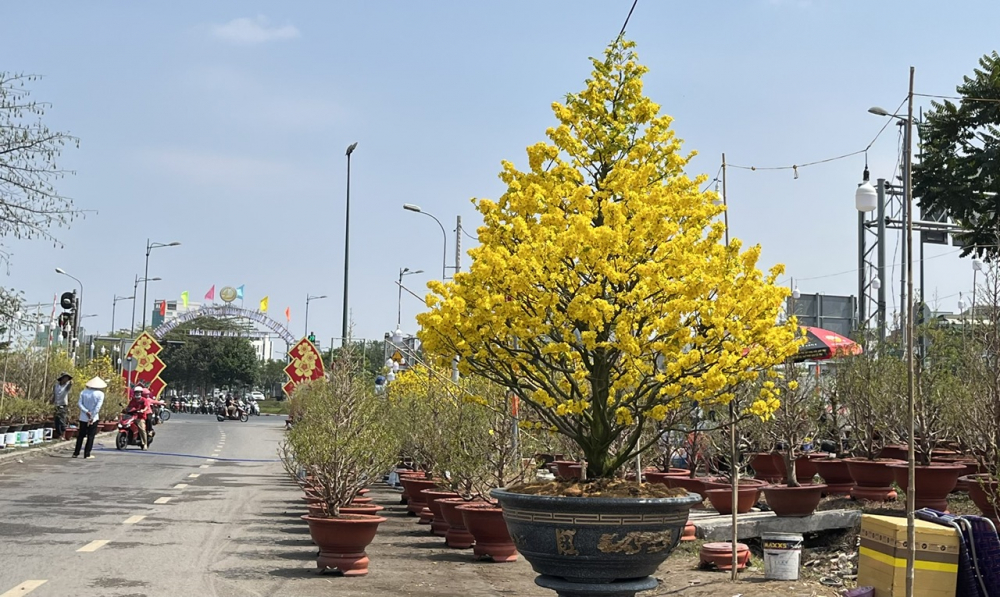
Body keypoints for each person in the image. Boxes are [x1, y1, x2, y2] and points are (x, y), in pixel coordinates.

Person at [73, 377, 106, 459]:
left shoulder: (83, 392)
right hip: (94, 418)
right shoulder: (100, 394)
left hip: (83, 417)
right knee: (90, 436)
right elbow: (98, 407)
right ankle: (87, 454)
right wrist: (92, 416)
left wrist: (86, 411)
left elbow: (80, 404)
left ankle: (76, 453)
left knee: (81, 435)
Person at [52, 372, 73, 438]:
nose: (66, 379)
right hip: (56, 404)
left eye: (67, 378)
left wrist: (71, 383)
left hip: (63, 404)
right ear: (62, 378)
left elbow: (70, 385)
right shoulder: (56, 386)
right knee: (56, 419)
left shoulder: (67, 386)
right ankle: (59, 433)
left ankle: (63, 434)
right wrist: (52, 402)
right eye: (65, 378)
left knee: (62, 419)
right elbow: (54, 394)